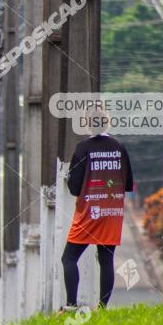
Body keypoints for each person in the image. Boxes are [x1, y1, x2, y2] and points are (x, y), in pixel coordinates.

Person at [61, 128, 134, 312]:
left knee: (69, 258)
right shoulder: (119, 147)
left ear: (87, 123)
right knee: (106, 260)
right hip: (112, 211)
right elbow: (128, 183)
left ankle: (71, 305)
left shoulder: (82, 147)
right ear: (107, 122)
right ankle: (102, 309)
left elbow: (75, 188)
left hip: (89, 212)